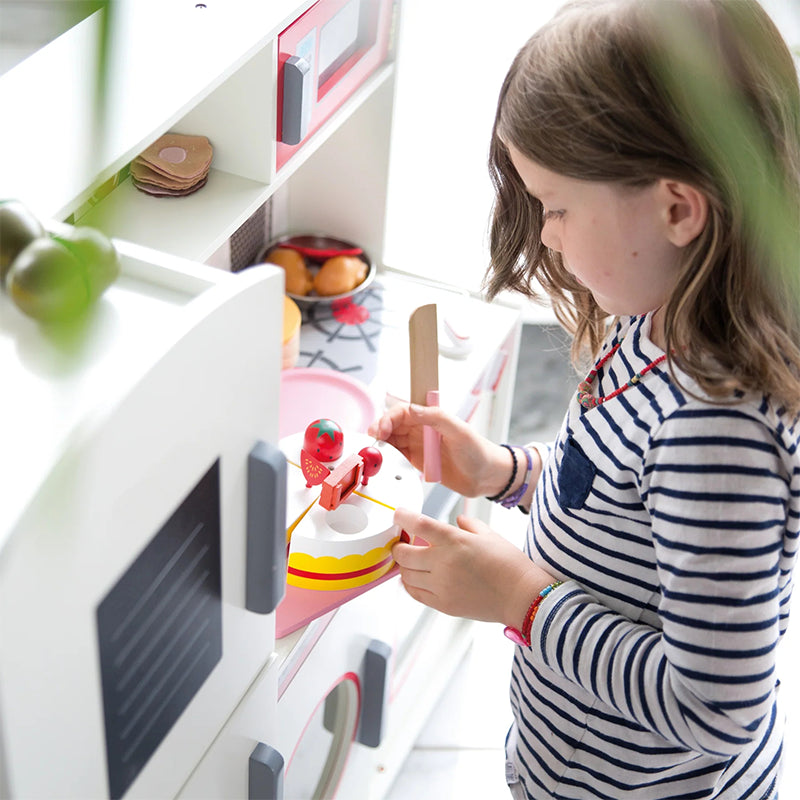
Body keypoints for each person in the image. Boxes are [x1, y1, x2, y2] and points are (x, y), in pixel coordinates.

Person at [369, 1, 800, 797]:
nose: (547, 234)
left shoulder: (716, 434)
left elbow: (715, 710)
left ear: (677, 208)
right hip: (575, 758)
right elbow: (610, 492)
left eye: (558, 206)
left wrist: (516, 597)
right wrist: (501, 471)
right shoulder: (656, 318)